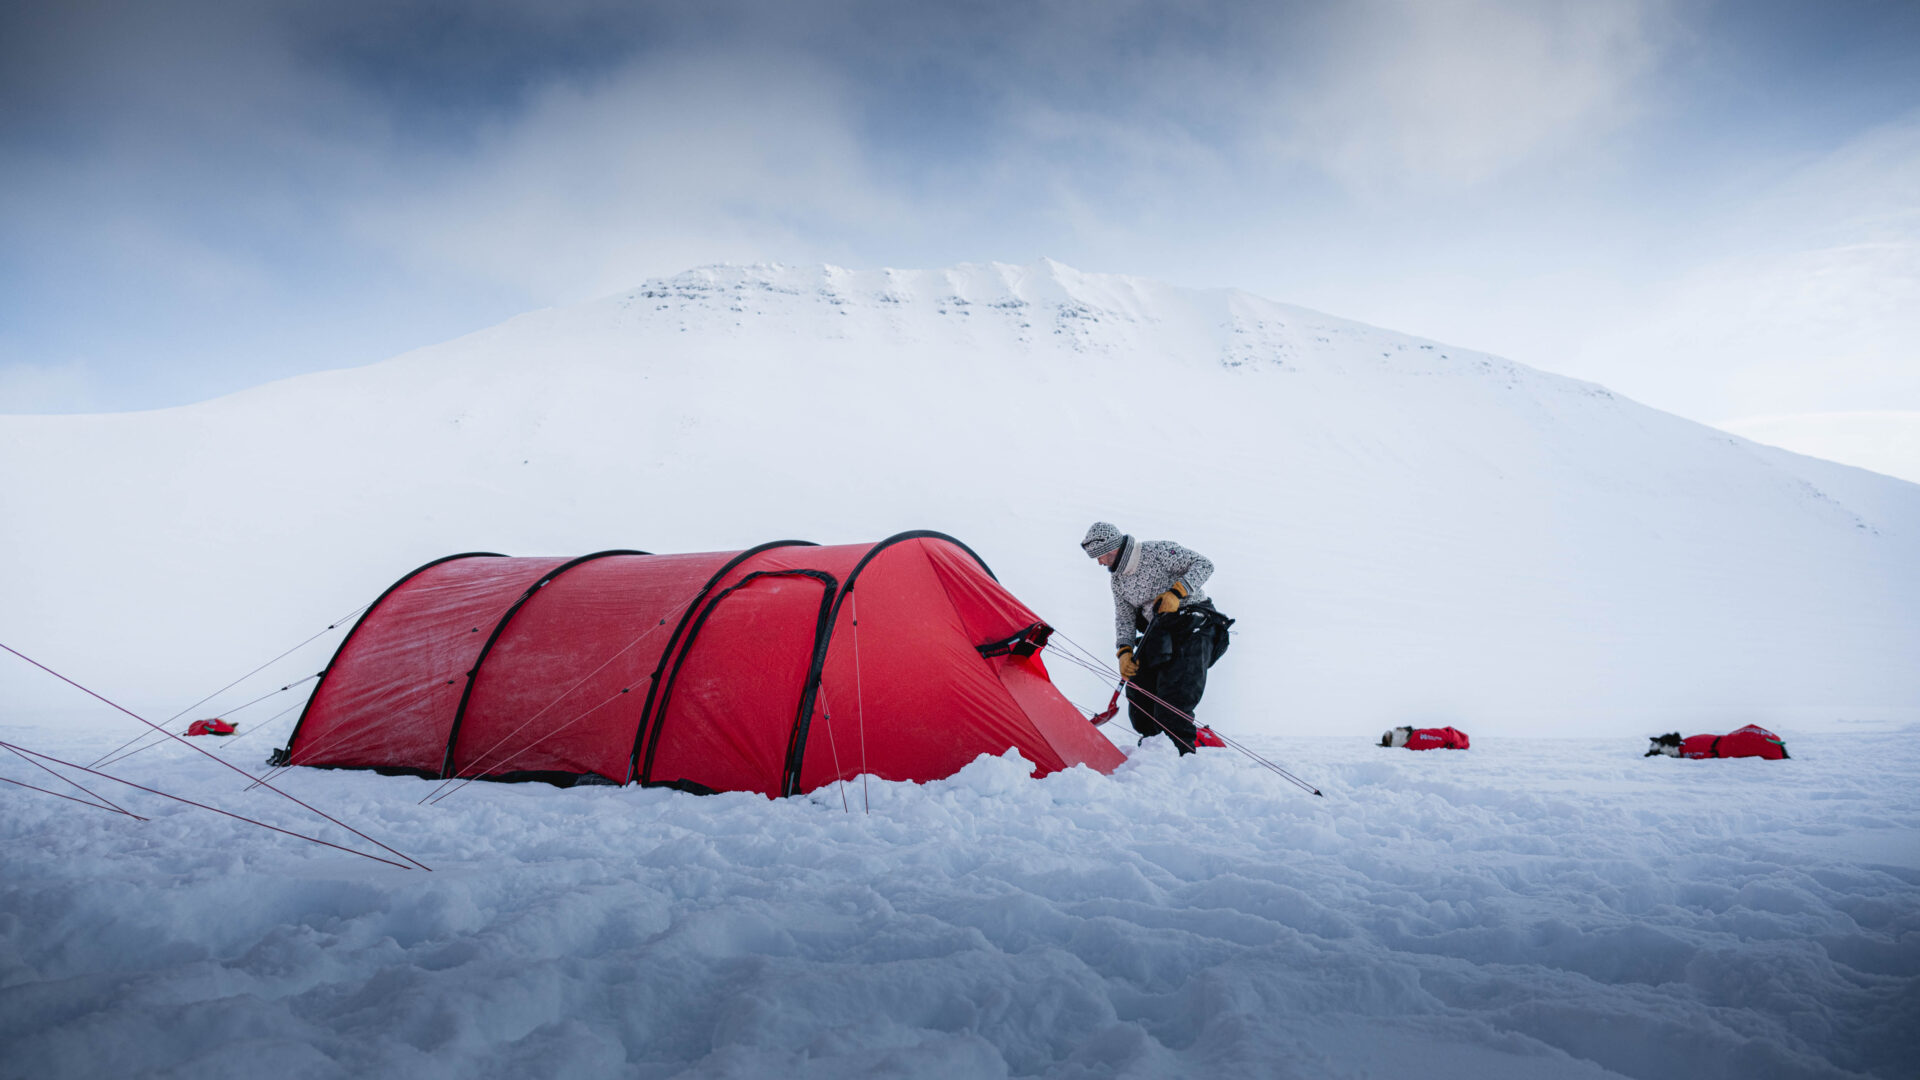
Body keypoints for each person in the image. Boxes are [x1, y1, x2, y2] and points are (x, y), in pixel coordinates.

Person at [1080, 522, 1231, 754]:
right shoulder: (1118, 581)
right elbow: (1124, 618)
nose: (1099, 563)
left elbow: (1204, 564)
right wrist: (1124, 651)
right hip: (1159, 632)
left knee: (1172, 705)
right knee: (1141, 700)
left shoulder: (1157, 551)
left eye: (1099, 557)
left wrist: (1177, 591)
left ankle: (1184, 756)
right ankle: (1155, 754)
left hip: (1194, 625)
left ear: (1111, 549)